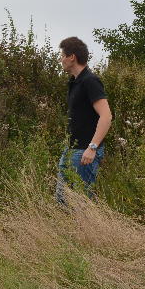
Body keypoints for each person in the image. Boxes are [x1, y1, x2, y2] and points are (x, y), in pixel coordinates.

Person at [56, 36, 112, 204]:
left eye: (62, 55)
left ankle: (86, 230)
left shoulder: (90, 81)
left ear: (71, 57)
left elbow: (106, 116)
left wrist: (92, 148)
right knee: (62, 200)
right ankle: (67, 231)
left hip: (85, 152)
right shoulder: (74, 82)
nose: (61, 59)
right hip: (71, 149)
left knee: (81, 204)